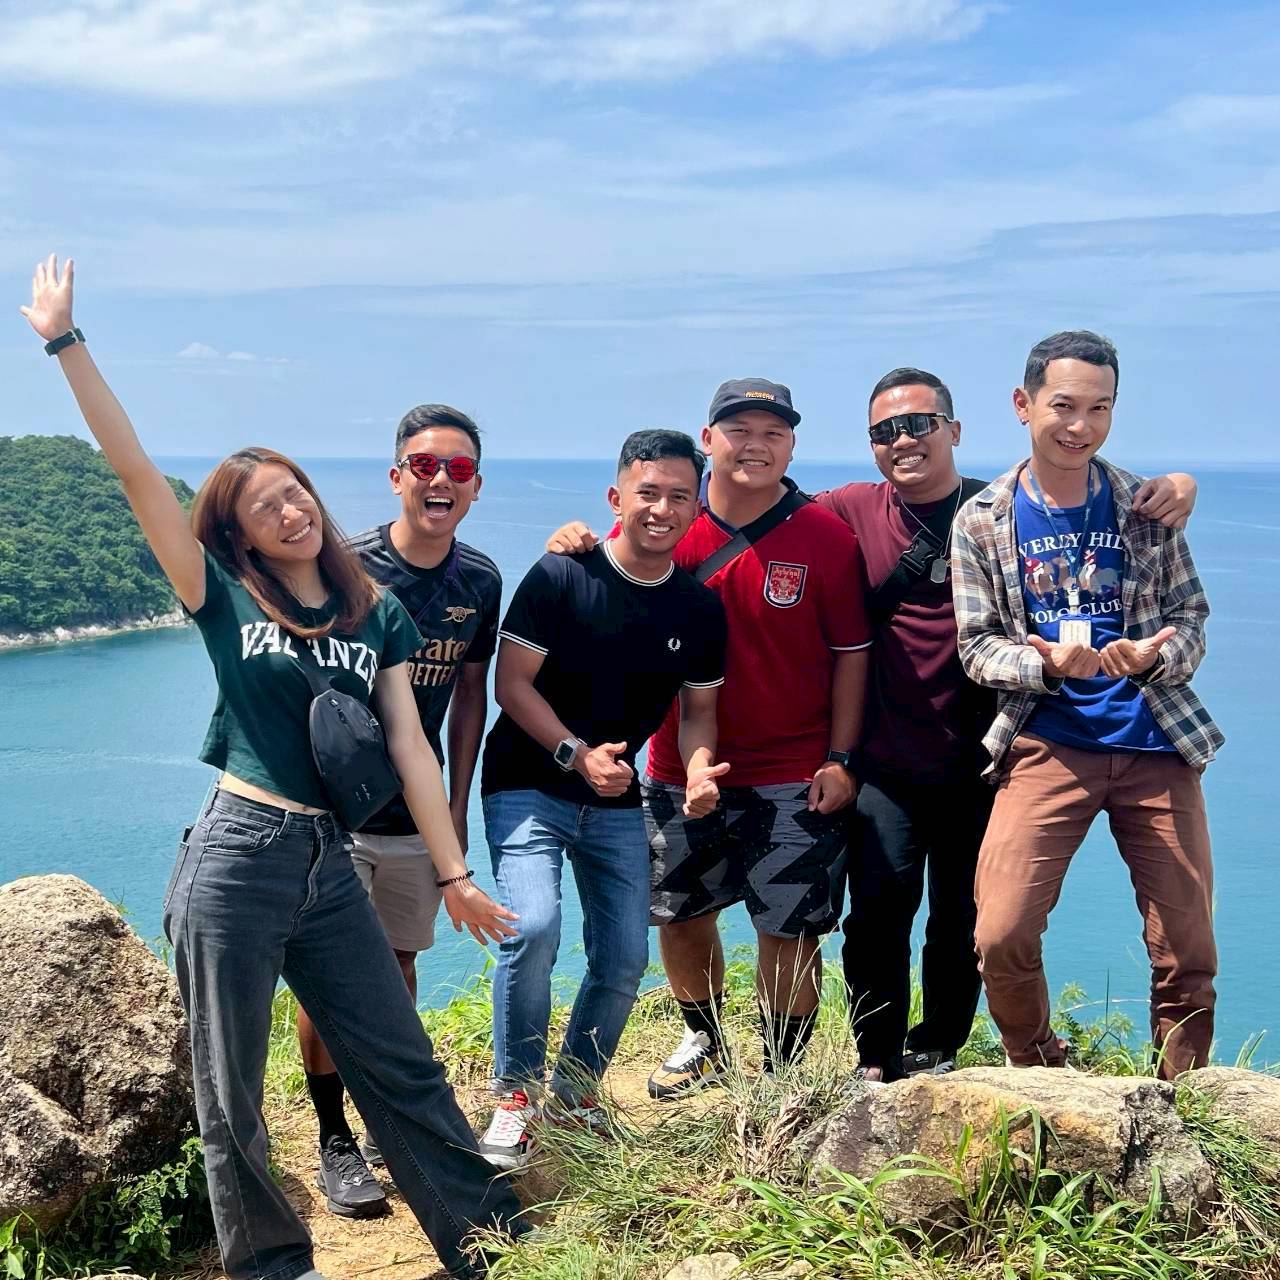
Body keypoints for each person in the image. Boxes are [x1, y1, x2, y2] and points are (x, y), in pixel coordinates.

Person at [20, 256, 525, 1280]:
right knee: (230, 1093)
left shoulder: (370, 609)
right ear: (237, 528)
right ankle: (274, 1267)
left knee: (402, 1061)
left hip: (328, 860)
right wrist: (66, 344)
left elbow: (406, 746)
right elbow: (129, 472)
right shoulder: (219, 593)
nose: (289, 512)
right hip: (237, 853)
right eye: (263, 505)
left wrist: (452, 871)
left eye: (295, 493)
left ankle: (490, 1248)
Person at [817, 369, 1199, 1084]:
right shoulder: (850, 510)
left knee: (964, 922)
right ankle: (874, 1059)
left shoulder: (992, 510)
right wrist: (623, 540)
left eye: (920, 423)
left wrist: (1181, 482)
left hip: (986, 756)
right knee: (874, 919)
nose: (903, 440)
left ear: (955, 430)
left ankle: (938, 1047)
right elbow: (767, 521)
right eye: (884, 431)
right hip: (886, 760)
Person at [546, 379, 871, 1099]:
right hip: (671, 767)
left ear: (791, 444)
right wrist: (570, 545)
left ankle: (781, 1077)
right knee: (681, 913)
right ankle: (706, 1040)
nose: (754, 445)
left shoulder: (825, 537)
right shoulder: (671, 524)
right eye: (738, 430)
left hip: (793, 767)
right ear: (709, 439)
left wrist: (843, 759)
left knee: (790, 930)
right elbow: (600, 582)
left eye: (772, 432)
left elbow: (853, 657)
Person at [951, 330, 1223, 1080]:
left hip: (1156, 738)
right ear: (1023, 403)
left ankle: (1182, 1091)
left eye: (1099, 408)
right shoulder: (982, 519)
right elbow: (977, 647)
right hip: (1047, 742)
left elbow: (1192, 615)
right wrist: (1044, 667)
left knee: (1187, 945)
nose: (1080, 425)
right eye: (1064, 406)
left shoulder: (1146, 504)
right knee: (1001, 931)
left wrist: (1157, 657)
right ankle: (1037, 1067)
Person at [477, 429, 728, 1170]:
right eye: (647, 492)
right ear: (617, 497)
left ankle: (578, 1095)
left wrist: (703, 768)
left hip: (619, 800)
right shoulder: (562, 574)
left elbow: (700, 712)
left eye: (680, 495)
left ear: (697, 505)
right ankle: (515, 1095)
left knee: (622, 956)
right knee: (535, 927)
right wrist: (575, 755)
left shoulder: (696, 609)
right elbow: (510, 683)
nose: (663, 508)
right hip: (529, 783)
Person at [294, 405, 503, 1216]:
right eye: (424, 466)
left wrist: (451, 812)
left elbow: (470, 698)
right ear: (397, 477)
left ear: (476, 486)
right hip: (333, 816)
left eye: (456, 469)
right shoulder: (347, 567)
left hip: (417, 819)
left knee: (398, 967)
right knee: (324, 979)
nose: (440, 480)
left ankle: (382, 1112)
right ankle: (333, 1136)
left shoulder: (479, 579)